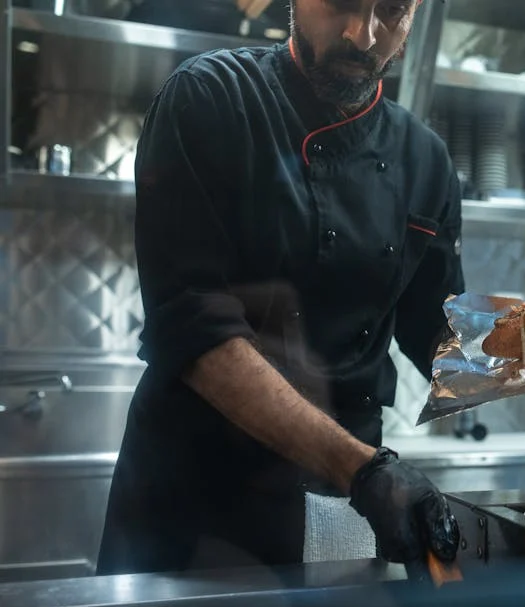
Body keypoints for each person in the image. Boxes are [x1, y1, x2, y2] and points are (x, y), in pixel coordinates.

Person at [97, 0, 463, 577]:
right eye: (341, 2)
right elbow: (195, 329)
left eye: (391, 10)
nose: (361, 34)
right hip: (200, 497)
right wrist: (365, 470)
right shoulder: (211, 98)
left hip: (341, 500)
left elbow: (443, 340)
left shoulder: (427, 160)